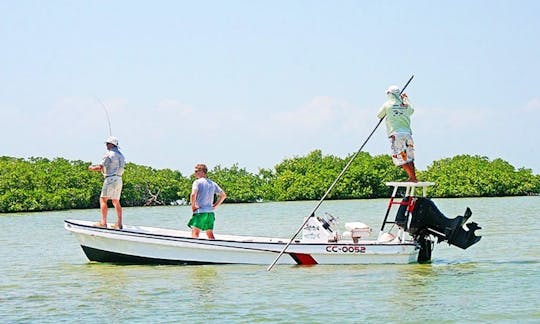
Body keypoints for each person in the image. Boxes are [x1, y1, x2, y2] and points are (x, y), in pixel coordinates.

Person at [377, 85, 418, 182]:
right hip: (408, 134)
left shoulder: (387, 105)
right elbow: (411, 110)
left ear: (390, 94)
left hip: (396, 135)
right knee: (409, 157)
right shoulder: (405, 105)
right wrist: (406, 99)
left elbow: (379, 115)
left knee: (400, 157)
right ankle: (413, 177)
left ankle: (412, 177)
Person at [88, 136, 126, 229]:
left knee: (103, 199)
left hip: (110, 179)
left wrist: (91, 168)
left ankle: (103, 223)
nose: (106, 145)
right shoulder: (121, 155)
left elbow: (101, 167)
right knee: (116, 201)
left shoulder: (109, 154)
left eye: (107, 144)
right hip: (119, 179)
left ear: (110, 144)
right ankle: (119, 223)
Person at [188, 163, 227, 239]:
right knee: (210, 234)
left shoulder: (197, 182)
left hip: (200, 212)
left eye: (196, 171)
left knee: (195, 233)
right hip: (210, 213)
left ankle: (194, 249)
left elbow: (193, 194)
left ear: (202, 172)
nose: (194, 173)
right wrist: (215, 206)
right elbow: (223, 195)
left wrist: (193, 206)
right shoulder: (212, 183)